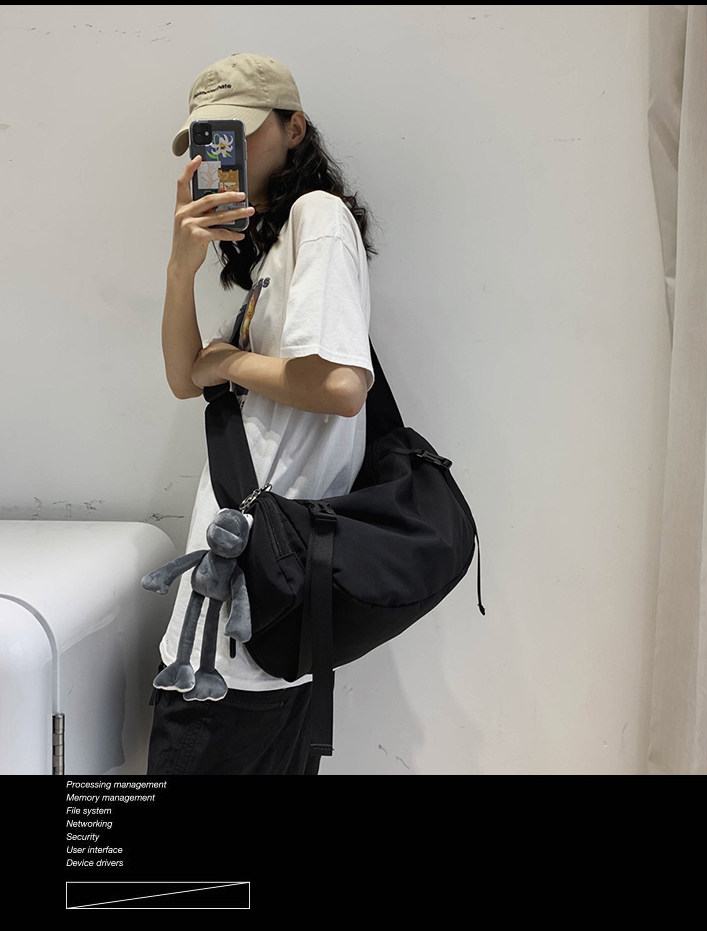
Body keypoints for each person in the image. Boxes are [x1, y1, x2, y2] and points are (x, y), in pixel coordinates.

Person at [146, 53, 376, 776]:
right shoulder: (274, 245)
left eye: (240, 132)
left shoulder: (318, 215)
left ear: (294, 128)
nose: (227, 154)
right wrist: (181, 265)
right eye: (211, 140)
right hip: (243, 609)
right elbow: (184, 377)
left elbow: (341, 386)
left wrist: (230, 364)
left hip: (247, 620)